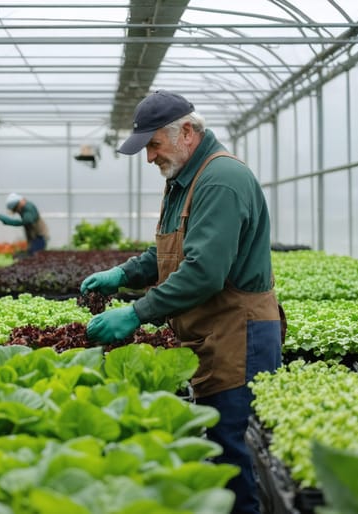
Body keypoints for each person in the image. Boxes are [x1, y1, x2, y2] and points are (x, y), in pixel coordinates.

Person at [80, 90, 282, 514]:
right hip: (210, 336)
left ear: (186, 132)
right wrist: (124, 274)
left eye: (154, 144)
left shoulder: (221, 180)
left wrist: (136, 313)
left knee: (232, 451)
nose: (149, 157)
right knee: (218, 448)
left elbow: (204, 273)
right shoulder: (184, 179)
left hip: (237, 339)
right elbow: (169, 253)